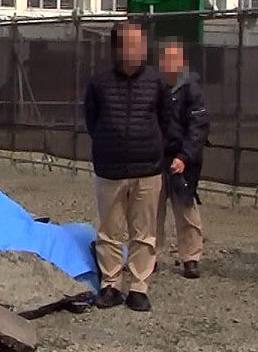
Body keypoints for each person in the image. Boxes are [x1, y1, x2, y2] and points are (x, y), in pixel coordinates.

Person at [85, 21, 173, 312]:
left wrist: (158, 151)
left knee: (144, 232)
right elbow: (92, 120)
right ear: (117, 48)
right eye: (130, 44)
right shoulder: (99, 83)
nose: (137, 50)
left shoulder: (156, 82)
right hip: (110, 169)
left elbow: (165, 120)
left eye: (140, 44)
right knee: (109, 231)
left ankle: (138, 287)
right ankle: (110, 285)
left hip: (147, 169)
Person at [156, 38, 209, 279]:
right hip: (156, 157)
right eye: (165, 58)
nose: (169, 63)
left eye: (174, 58)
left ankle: (190, 258)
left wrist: (185, 157)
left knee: (186, 208)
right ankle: (150, 255)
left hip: (181, 159)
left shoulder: (191, 89)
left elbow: (198, 127)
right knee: (150, 210)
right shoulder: (157, 87)